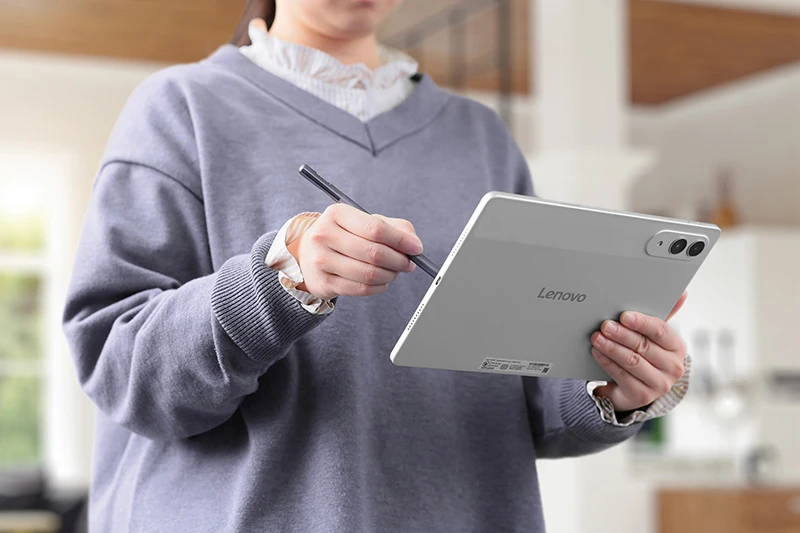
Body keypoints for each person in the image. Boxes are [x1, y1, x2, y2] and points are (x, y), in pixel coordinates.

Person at [63, 0, 690, 531]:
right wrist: (277, 283)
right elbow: (119, 368)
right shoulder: (179, 108)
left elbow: (530, 402)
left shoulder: (483, 138)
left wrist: (613, 387)